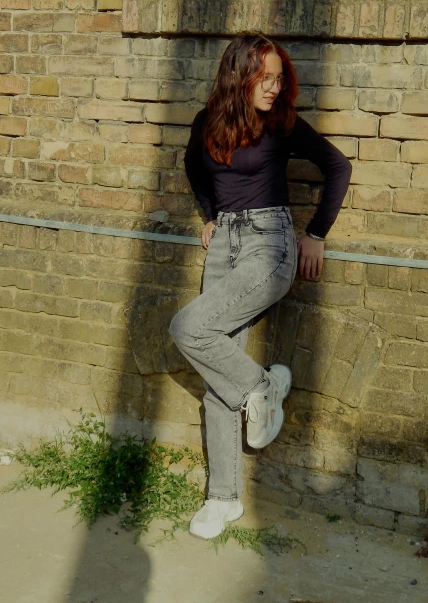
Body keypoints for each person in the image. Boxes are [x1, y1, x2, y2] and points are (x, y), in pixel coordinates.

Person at [169, 33, 352, 540]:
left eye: (278, 78)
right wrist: (209, 215)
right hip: (224, 242)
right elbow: (193, 168)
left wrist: (315, 234)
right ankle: (222, 499)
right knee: (215, 370)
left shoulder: (282, 124)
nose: (274, 87)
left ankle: (261, 387)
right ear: (239, 75)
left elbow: (337, 166)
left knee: (188, 327)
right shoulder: (206, 125)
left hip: (269, 245)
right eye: (264, 77)